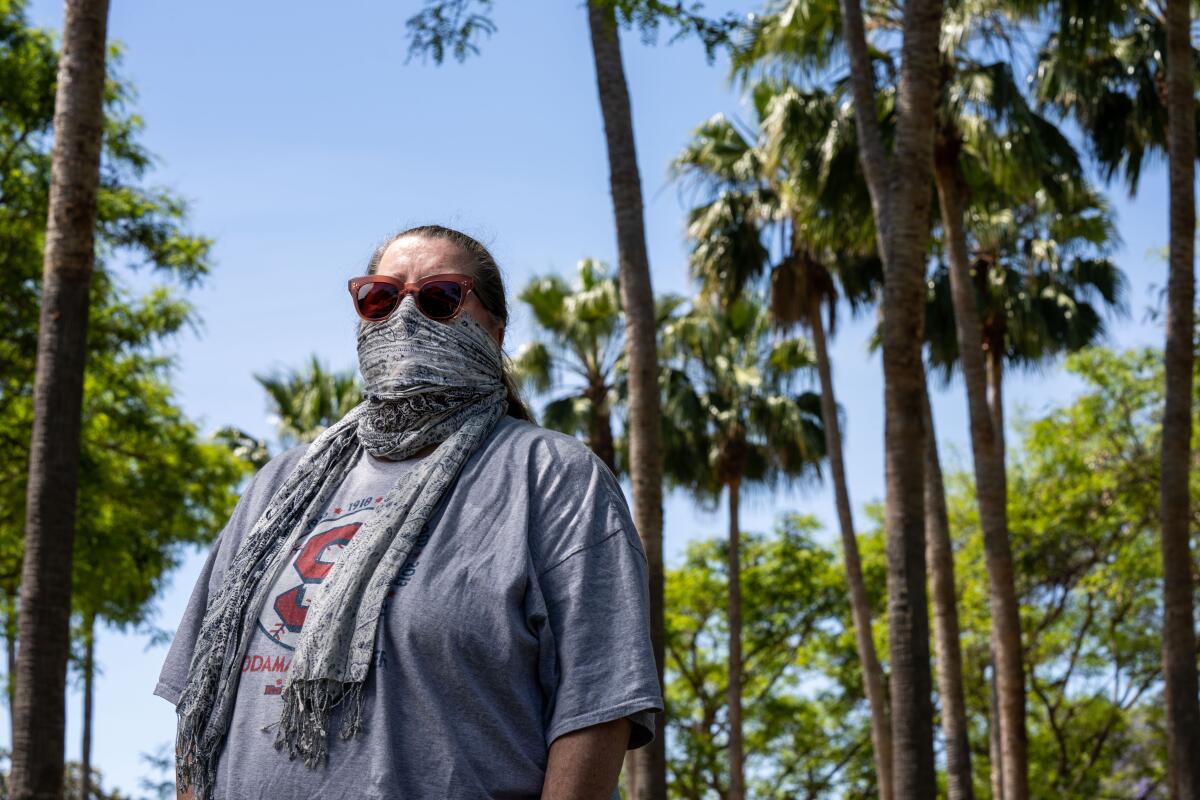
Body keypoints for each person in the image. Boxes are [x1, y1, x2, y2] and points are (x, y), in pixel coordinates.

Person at [154, 224, 664, 800]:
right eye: (380, 297)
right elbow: (200, 695)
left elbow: (596, 708)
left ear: (494, 332)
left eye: (440, 297)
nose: (404, 316)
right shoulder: (279, 486)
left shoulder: (551, 476)